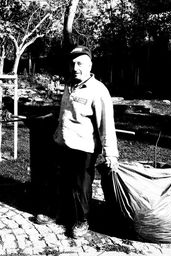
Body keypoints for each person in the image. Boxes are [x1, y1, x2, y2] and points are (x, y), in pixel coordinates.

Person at [53, 45, 119, 238]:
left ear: (90, 65)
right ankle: (62, 215)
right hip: (63, 143)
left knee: (81, 186)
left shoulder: (98, 90)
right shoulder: (69, 85)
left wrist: (110, 153)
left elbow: (106, 124)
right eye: (73, 63)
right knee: (62, 182)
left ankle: (81, 221)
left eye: (80, 63)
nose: (75, 67)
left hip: (84, 147)